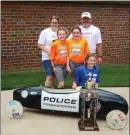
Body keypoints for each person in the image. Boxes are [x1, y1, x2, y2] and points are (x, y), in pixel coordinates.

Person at [37, 15, 59, 88]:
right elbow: (40, 44)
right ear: (50, 23)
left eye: (56, 22)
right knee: (49, 76)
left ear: (58, 23)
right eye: (53, 22)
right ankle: (45, 91)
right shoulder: (45, 32)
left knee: (54, 75)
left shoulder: (59, 32)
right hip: (47, 58)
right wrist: (48, 51)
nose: (54, 24)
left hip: (57, 58)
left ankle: (51, 91)